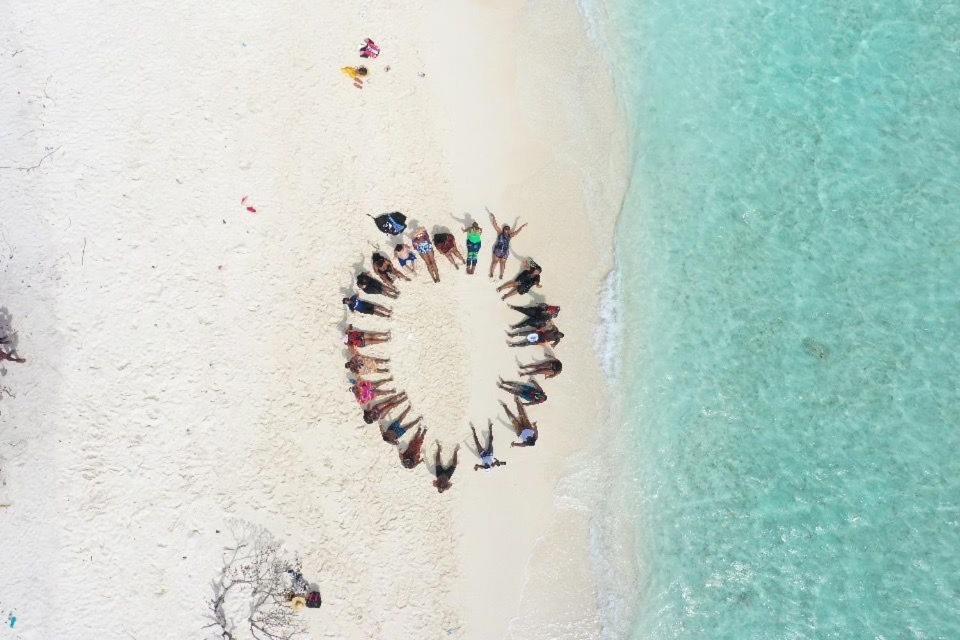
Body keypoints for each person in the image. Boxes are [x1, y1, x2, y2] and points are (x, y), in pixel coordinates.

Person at [487, 207, 527, 279]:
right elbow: (495, 225)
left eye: (508, 229)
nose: (507, 230)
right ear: (503, 229)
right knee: (495, 262)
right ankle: (491, 273)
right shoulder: (500, 233)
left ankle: (501, 275)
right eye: (506, 228)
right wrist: (493, 217)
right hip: (499, 250)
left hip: (504, 251)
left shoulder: (510, 235)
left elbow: (517, 232)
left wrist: (522, 226)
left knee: (502, 263)